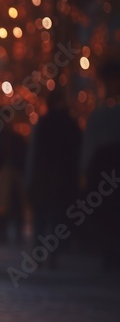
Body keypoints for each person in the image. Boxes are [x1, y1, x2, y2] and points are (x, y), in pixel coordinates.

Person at [23, 88, 81, 269]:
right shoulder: (71, 125)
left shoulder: (44, 124)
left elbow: (34, 155)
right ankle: (52, 257)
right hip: (62, 181)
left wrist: (30, 179)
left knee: (41, 219)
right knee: (56, 220)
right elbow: (77, 154)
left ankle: (38, 255)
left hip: (43, 179)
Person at [80, 55, 120, 271]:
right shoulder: (100, 115)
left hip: (104, 169)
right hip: (103, 169)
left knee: (107, 215)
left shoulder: (101, 116)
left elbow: (89, 148)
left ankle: (110, 254)